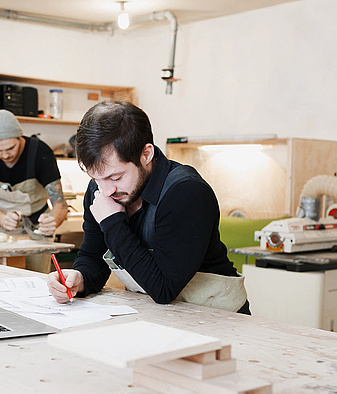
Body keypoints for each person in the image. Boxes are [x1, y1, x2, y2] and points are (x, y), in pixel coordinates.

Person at [46, 101, 250, 314]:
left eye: (115, 176)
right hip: (157, 316)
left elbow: (163, 289)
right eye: (96, 178)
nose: (105, 190)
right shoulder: (101, 188)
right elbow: (92, 256)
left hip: (219, 320)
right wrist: (79, 278)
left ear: (146, 154)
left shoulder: (186, 192)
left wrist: (113, 222)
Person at [0, 109, 68, 238]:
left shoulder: (41, 153)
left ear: (20, 138)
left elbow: (60, 204)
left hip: (37, 227)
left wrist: (53, 221)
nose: (5, 155)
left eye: (11, 148)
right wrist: (2, 219)